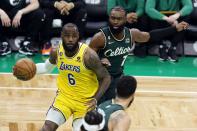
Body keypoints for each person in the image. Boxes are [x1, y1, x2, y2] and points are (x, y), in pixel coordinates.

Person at [13, 23, 111, 131]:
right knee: (47, 128)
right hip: (64, 99)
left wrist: (95, 99)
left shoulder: (89, 56)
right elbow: (46, 68)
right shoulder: (56, 52)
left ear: (78, 36)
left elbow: (106, 78)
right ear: (61, 35)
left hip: (85, 103)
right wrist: (24, 71)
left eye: (73, 36)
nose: (70, 39)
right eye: (67, 36)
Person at [89, 6, 188, 104]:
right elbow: (86, 58)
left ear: (125, 20)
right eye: (113, 18)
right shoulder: (100, 37)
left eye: (119, 19)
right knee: (97, 109)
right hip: (100, 78)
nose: (115, 21)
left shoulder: (132, 34)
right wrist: (98, 61)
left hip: (117, 77)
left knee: (115, 106)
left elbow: (151, 36)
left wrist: (174, 29)